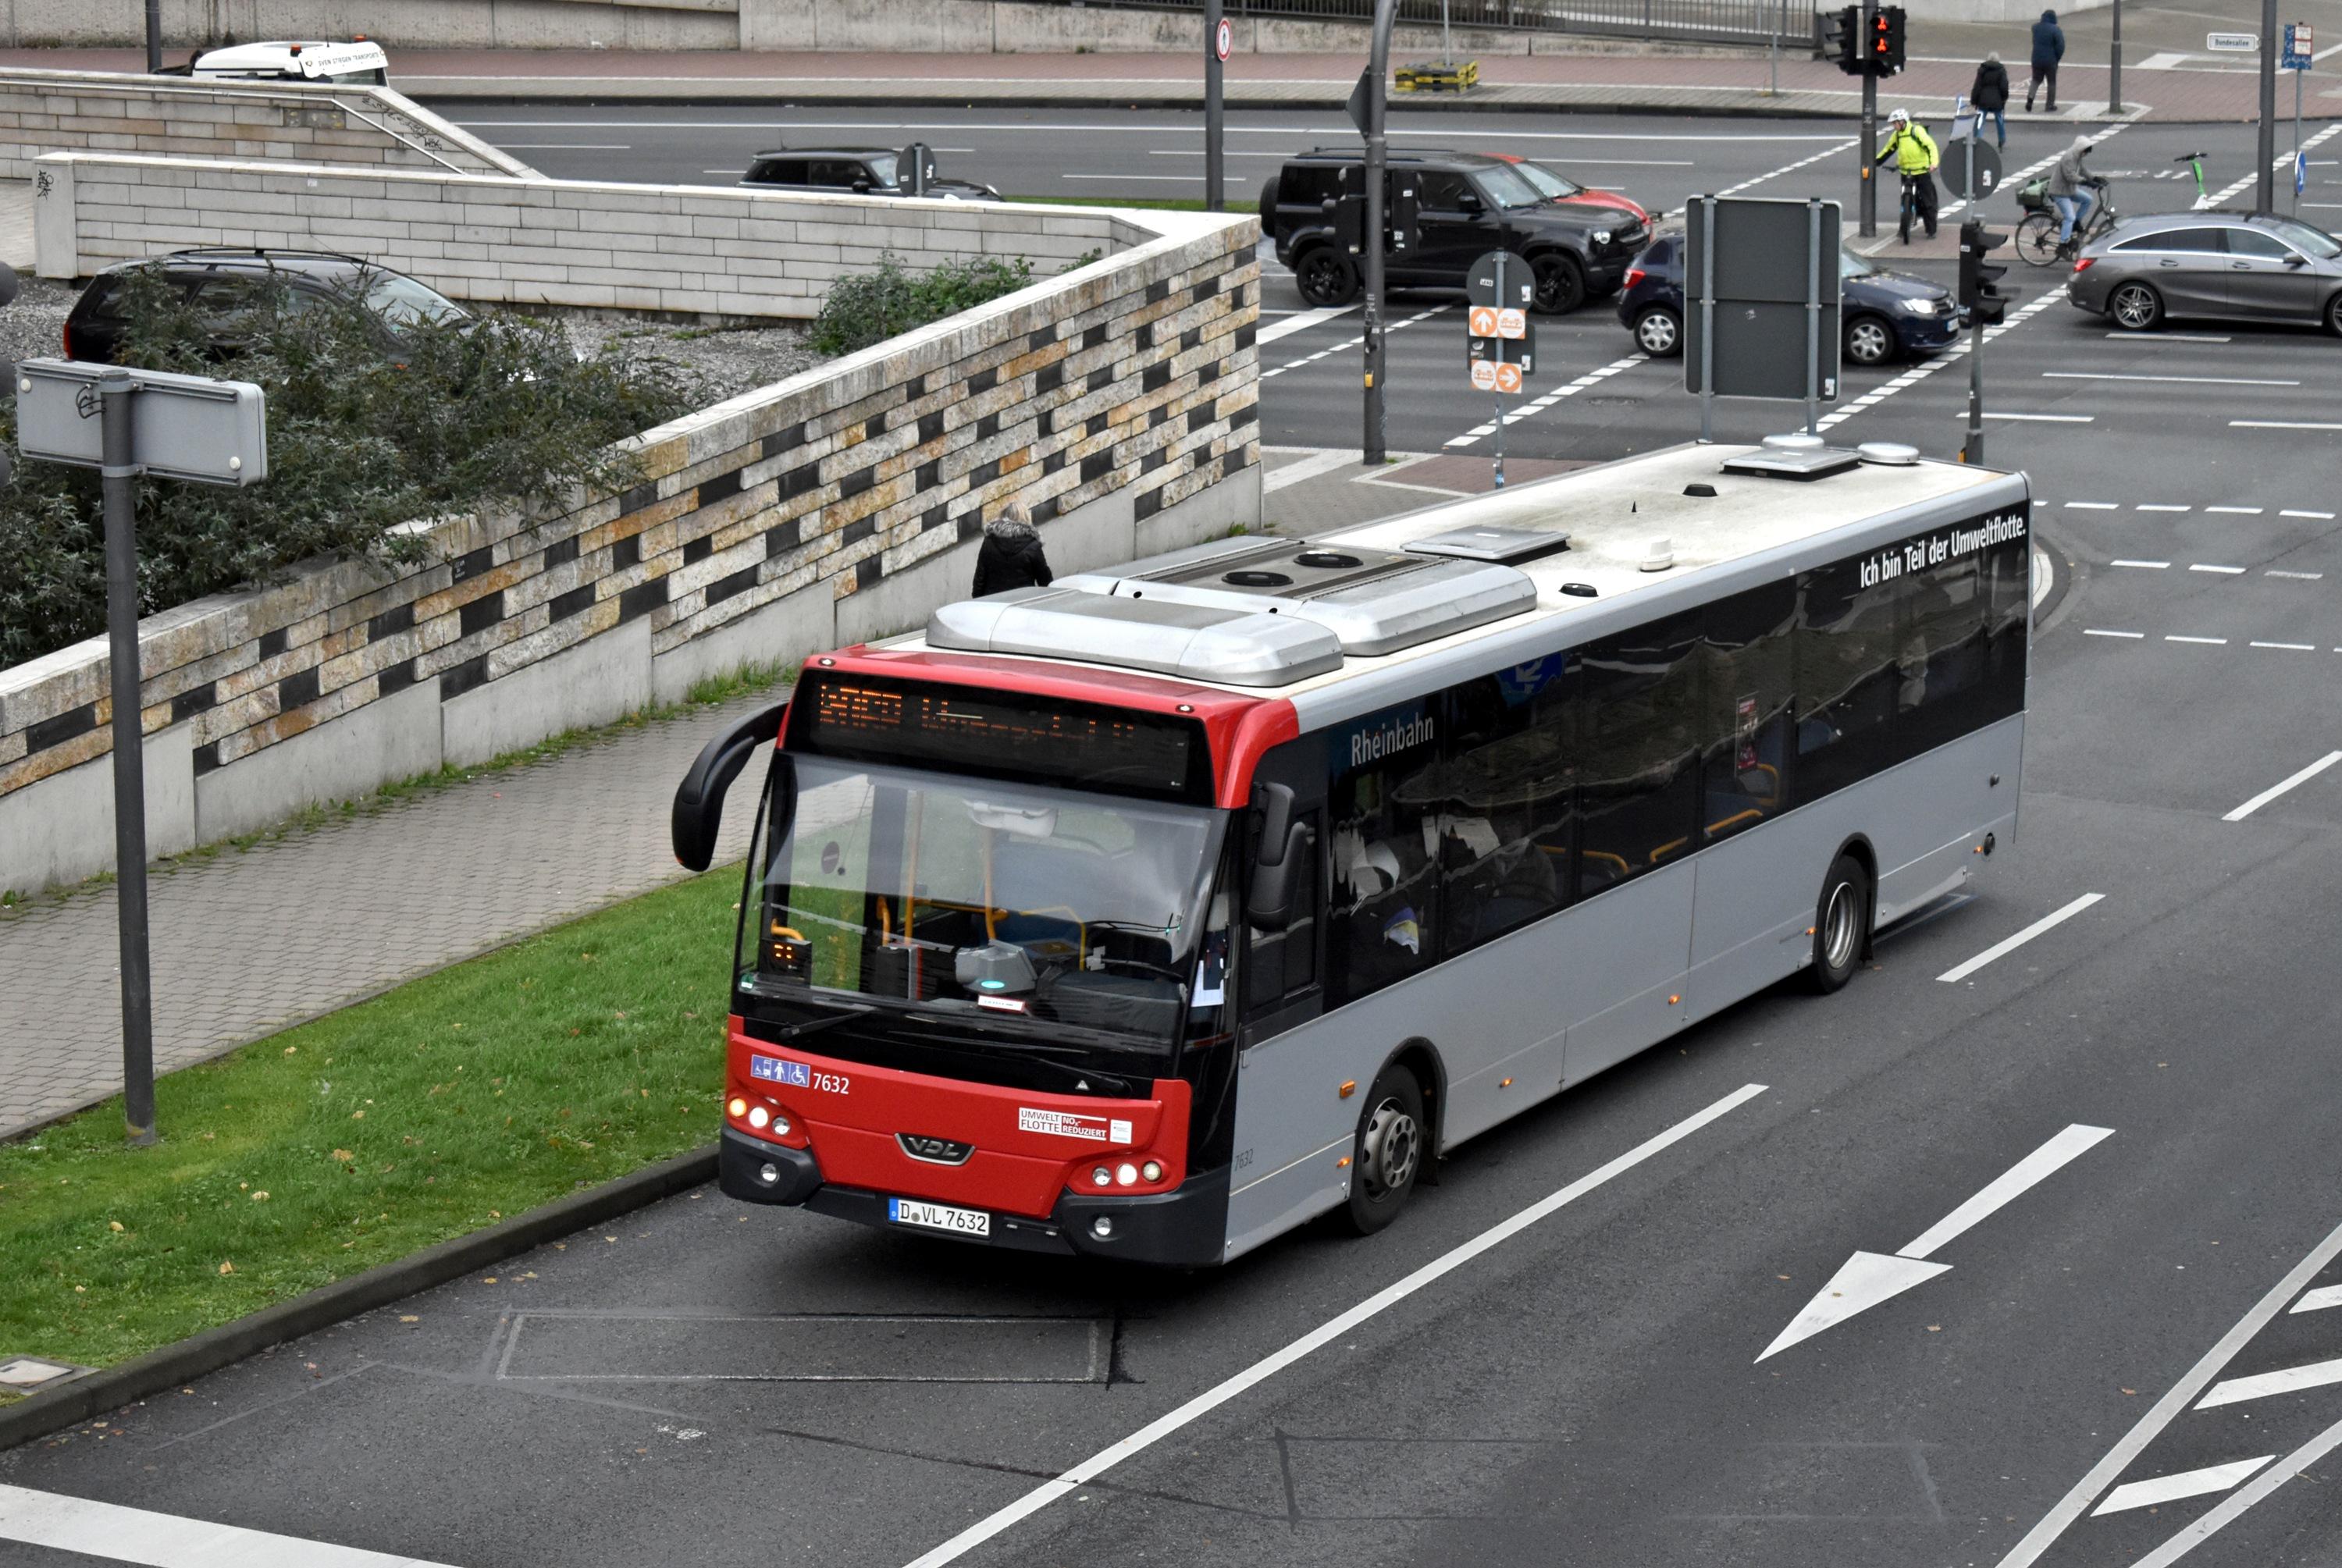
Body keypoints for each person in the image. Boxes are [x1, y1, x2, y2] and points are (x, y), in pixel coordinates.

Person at [1875, 108, 1941, 244]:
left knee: (1928, 201)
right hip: (1906, 172)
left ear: (1902, 122)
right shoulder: (1898, 135)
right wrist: (1875, 162)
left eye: (1895, 123)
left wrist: (1933, 163)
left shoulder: (1916, 131)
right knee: (1904, 202)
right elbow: (1888, 149)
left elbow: (1931, 146)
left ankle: (1931, 230)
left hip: (1921, 171)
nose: (1894, 126)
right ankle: (1903, 228)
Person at [971, 500, 1053, 596]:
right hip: (1022, 602)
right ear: (1025, 517)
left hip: (993, 603)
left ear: (1003, 517)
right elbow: (1045, 580)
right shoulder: (1033, 546)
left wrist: (977, 601)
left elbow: (980, 578)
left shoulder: (989, 542)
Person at [2047, 135, 2098, 251]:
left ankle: (2076, 223)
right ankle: (2063, 244)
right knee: (2069, 217)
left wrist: (2094, 178)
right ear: (2081, 149)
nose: (2086, 154)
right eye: (2085, 152)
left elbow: (2083, 170)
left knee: (2087, 200)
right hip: (2059, 191)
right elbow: (2070, 176)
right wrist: (2086, 182)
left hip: (2069, 190)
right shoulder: (2069, 157)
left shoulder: (2077, 156)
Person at [1970, 52, 2011, 148]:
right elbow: (2004, 87)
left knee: (1980, 120)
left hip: (1983, 100)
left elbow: (1977, 86)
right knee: (1999, 120)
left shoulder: (1982, 70)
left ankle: (1977, 139)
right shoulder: (2001, 70)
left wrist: (1974, 101)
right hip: (1997, 101)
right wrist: (2004, 98)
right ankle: (2001, 139)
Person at [2027, 9, 2065, 113]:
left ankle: (2030, 98)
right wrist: (2057, 57)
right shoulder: (2056, 30)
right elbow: (2061, 46)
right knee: (2051, 82)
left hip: (2036, 59)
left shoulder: (2035, 28)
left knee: (2036, 80)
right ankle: (2049, 105)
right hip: (2050, 61)